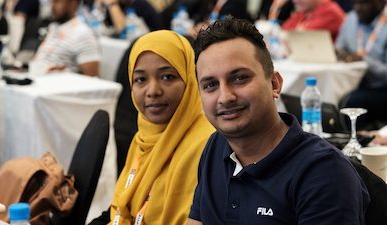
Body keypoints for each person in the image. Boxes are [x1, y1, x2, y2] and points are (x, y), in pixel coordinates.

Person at [188, 16, 369, 225]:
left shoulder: (323, 172)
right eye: (210, 85)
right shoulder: (216, 146)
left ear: (274, 84)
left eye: (239, 78)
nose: (225, 96)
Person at [90, 30, 215, 224]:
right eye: (140, 80)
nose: (153, 91)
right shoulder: (143, 138)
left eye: (167, 77)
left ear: (191, 79)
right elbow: (123, 208)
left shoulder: (208, 146)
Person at [336, 0, 387, 130]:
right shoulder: (351, 18)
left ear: (381, 3)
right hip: (350, 82)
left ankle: (359, 141)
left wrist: (364, 60)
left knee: (351, 101)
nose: (358, 8)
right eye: (355, 3)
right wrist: (340, 54)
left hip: (380, 87)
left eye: (365, 3)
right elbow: (339, 47)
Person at [33, 0, 100, 76]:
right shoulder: (54, 27)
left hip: (58, 84)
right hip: (37, 78)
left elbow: (92, 79)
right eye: (52, 2)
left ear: (73, 3)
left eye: (57, 1)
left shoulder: (83, 33)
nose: (52, 6)